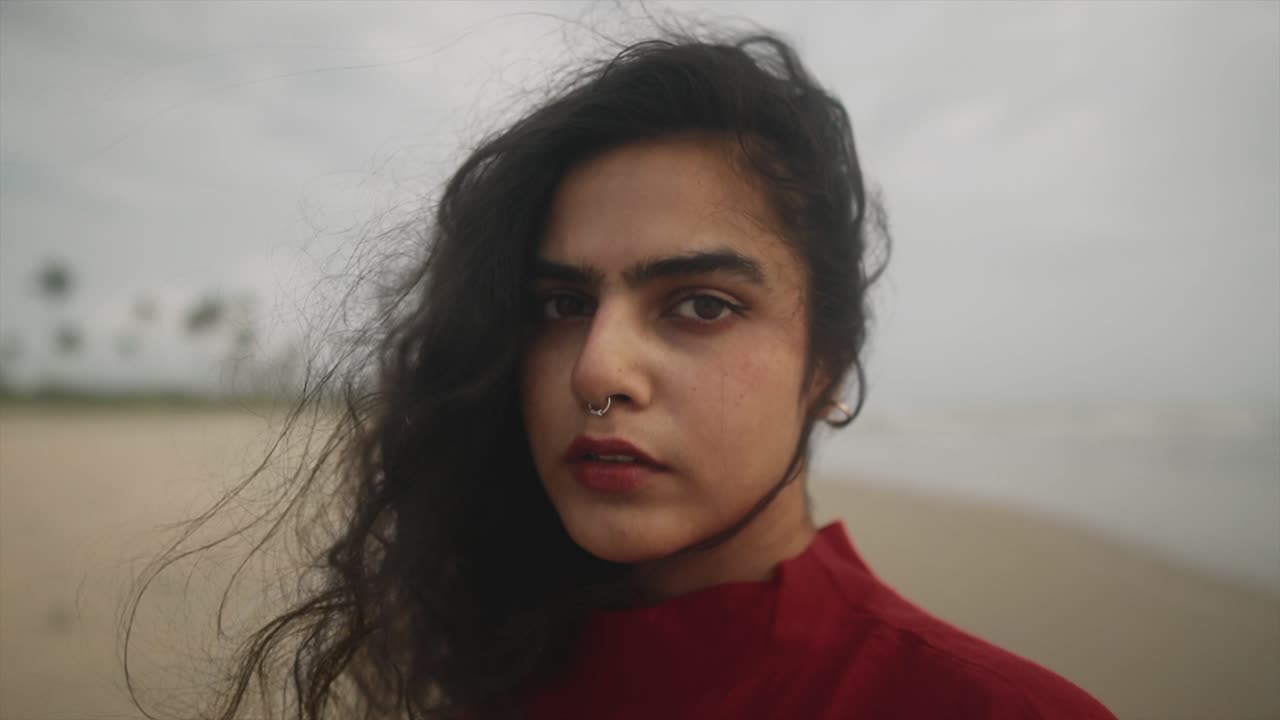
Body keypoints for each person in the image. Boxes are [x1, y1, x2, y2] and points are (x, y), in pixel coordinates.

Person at [129, 24, 1117, 720]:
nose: (596, 369)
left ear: (825, 367)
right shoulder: (497, 682)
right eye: (558, 306)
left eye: (698, 304)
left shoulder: (994, 712)